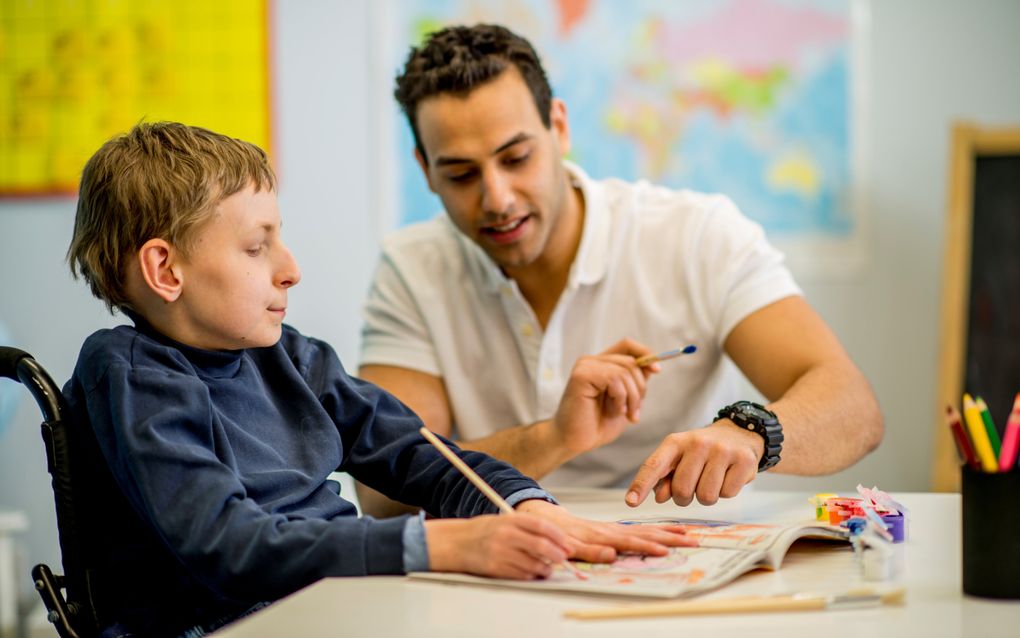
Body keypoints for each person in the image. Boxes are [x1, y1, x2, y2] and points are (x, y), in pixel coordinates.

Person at [63, 122, 693, 637]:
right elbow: (230, 548)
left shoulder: (290, 356)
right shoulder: (130, 375)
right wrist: (447, 546)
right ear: (165, 269)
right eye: (257, 248)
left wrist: (527, 508)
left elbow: (418, 451)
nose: (291, 269)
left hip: (328, 606)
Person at [357, 24, 883, 516]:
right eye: (461, 174)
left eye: (516, 158)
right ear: (426, 170)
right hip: (493, 559)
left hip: (675, 554)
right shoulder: (412, 268)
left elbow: (853, 408)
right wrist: (555, 436)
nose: (497, 199)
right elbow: (382, 490)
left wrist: (750, 432)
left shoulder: (698, 235)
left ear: (558, 128)